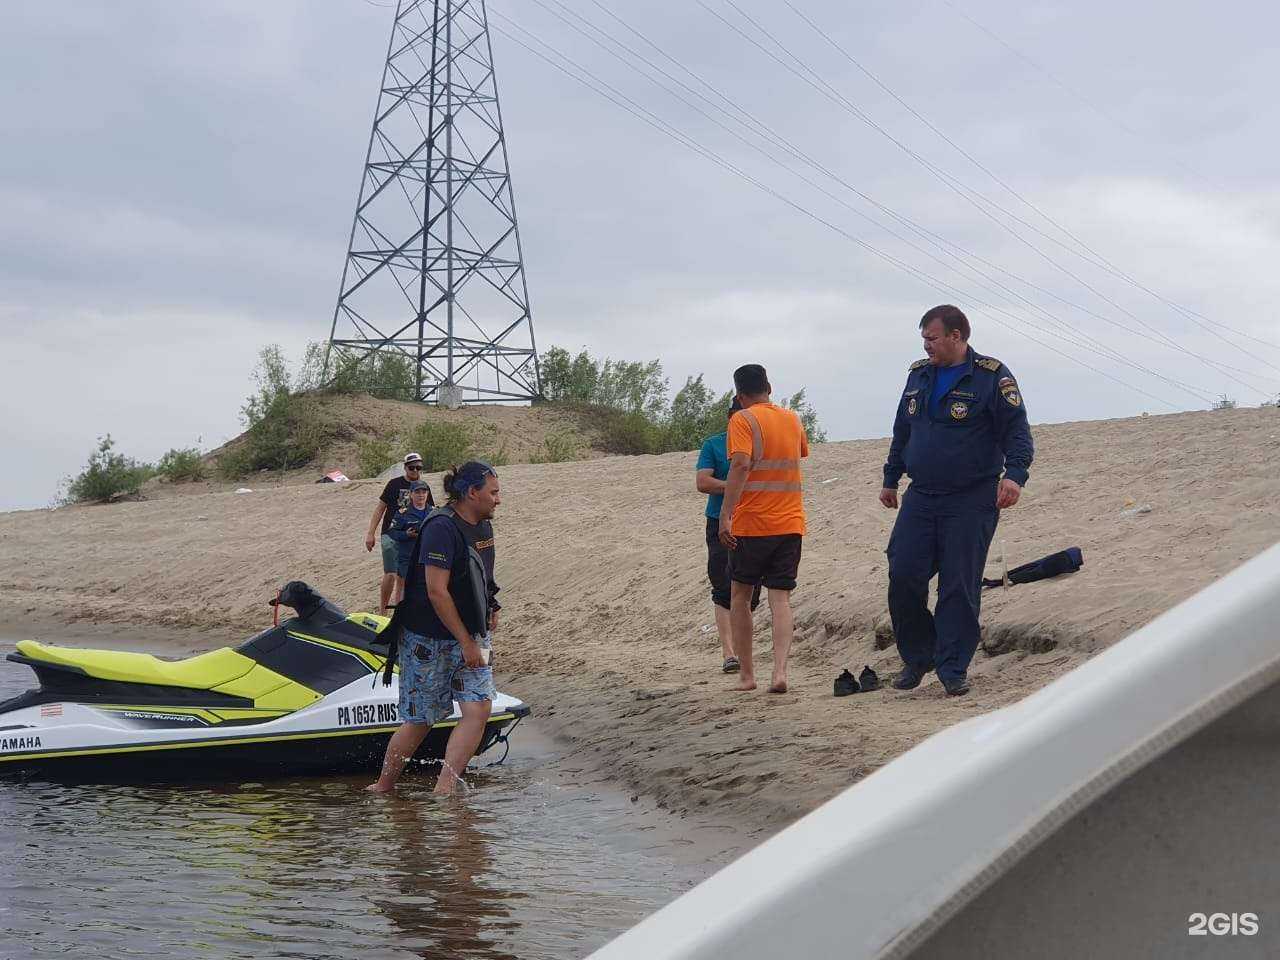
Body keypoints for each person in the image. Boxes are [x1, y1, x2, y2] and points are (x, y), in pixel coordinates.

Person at [879, 304, 1034, 696]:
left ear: (956, 335)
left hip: (972, 497)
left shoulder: (991, 376)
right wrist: (890, 478)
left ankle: (952, 667)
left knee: (958, 584)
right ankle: (918, 656)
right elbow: (903, 431)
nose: (926, 345)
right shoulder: (918, 376)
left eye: (932, 338)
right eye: (923, 339)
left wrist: (1014, 476)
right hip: (922, 495)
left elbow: (1017, 432)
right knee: (903, 573)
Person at [367, 461, 501, 796]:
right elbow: (436, 591)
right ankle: (384, 786)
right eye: (493, 492)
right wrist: (465, 642)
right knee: (421, 719)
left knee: (479, 707)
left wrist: (492, 605)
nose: (498, 500)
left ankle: (445, 790)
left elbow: (482, 574)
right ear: (472, 493)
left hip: (469, 634)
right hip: (428, 637)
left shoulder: (483, 526)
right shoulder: (440, 527)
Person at [718, 364, 809, 694]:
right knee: (780, 599)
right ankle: (780, 672)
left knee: (740, 596)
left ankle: (747, 676)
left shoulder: (742, 419)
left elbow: (741, 464)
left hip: (753, 523)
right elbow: (799, 453)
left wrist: (726, 515)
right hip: (790, 522)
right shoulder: (792, 418)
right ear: (769, 387)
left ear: (740, 395)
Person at [696, 398, 760, 673]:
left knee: (751, 591)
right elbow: (703, 482)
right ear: (730, 418)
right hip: (718, 520)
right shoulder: (713, 444)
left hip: (756, 522)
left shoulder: (762, 441)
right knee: (723, 587)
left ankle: (742, 649)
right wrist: (734, 487)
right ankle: (729, 653)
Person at [365, 453, 434, 614]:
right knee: (390, 573)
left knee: (407, 576)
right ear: (405, 467)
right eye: (412, 467)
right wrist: (370, 533)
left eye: (418, 467)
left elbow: (430, 512)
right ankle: (383, 611)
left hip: (414, 538)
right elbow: (380, 508)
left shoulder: (423, 487)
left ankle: (401, 611)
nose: (415, 470)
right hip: (391, 533)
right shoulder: (394, 484)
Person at [385, 480, 434, 607]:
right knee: (406, 587)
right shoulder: (403, 513)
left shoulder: (433, 512)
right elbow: (392, 532)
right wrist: (406, 535)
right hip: (407, 557)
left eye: (424, 492)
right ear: (411, 494)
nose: (421, 495)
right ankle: (401, 615)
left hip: (427, 557)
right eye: (417, 492)